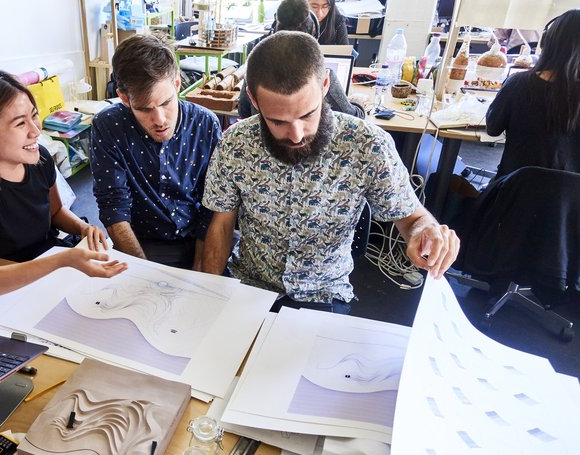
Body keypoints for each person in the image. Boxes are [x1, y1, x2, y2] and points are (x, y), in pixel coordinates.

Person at [202, 32, 460, 313]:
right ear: (253, 99)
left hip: (323, 294)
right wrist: (211, 294)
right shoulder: (236, 143)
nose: (297, 135)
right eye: (278, 121)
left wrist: (425, 233)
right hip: (250, 285)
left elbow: (412, 218)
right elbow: (223, 224)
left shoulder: (367, 145)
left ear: (325, 84)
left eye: (307, 114)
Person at [0, 68, 126, 303]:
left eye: (34, 115)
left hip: (50, 264)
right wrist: (62, 260)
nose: (35, 130)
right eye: (20, 124)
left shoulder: (39, 158)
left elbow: (56, 212)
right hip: (9, 284)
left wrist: (82, 229)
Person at [90, 34, 222, 269]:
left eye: (166, 103)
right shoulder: (108, 126)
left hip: (200, 237)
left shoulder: (206, 123)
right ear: (124, 98)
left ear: (177, 83)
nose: (159, 120)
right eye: (144, 109)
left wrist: (199, 271)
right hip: (143, 243)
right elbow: (113, 207)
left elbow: (213, 206)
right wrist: (146, 274)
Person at [486, 10, 580, 181]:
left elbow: (493, 129)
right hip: (570, 204)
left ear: (546, 42)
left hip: (514, 194)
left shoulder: (518, 83)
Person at [238, 0, 364, 119]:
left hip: (262, 140)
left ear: (276, 31)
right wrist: (358, 103)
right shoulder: (321, 75)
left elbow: (244, 112)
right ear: (314, 34)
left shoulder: (255, 69)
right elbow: (353, 118)